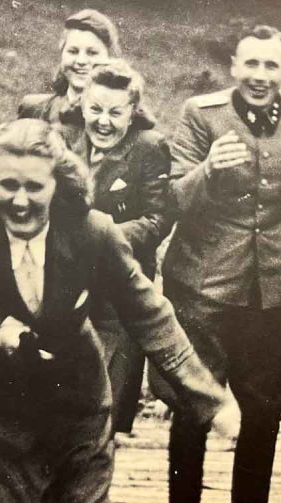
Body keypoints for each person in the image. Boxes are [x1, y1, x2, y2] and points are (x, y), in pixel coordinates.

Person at [0, 118, 239, 503]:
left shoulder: (94, 233)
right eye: (7, 184)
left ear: (59, 183)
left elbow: (149, 314)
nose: (20, 200)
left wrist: (210, 398)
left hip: (74, 402)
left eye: (35, 186)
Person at [162, 24, 281, 503]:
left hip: (270, 292)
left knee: (262, 413)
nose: (260, 76)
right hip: (204, 287)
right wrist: (209, 169)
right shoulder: (200, 114)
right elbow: (171, 197)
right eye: (250, 64)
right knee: (194, 411)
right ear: (233, 66)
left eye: (271, 67)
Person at [65, 59, 174, 432]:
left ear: (132, 112)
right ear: (81, 105)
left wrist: (100, 236)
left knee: (104, 414)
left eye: (115, 112)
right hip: (64, 289)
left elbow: (159, 219)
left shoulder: (148, 148)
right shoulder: (64, 140)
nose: (103, 121)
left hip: (118, 294)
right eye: (95, 109)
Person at [18, 8, 119, 146]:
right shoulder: (34, 109)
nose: (81, 61)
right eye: (73, 51)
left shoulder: (122, 120)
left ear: (110, 58)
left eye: (92, 53)